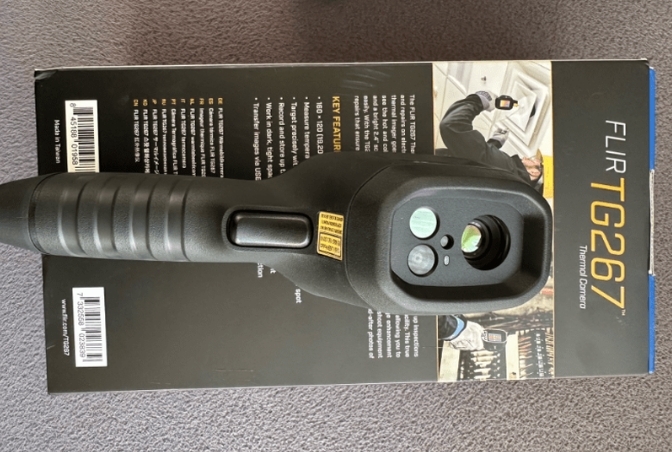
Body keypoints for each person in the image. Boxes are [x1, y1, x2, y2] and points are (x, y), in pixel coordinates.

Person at [437, 91, 544, 195]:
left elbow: (452, 125)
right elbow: (480, 162)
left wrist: (479, 100)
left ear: (535, 173)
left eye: (534, 161)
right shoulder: (511, 182)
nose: (527, 157)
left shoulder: (509, 167)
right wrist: (495, 142)